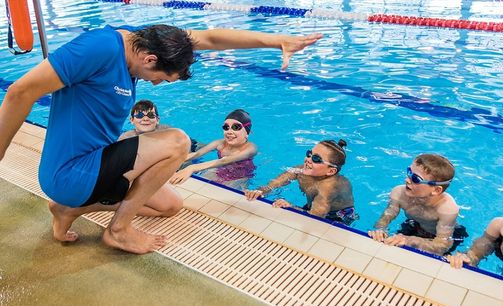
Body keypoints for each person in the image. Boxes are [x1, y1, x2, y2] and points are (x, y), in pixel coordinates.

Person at [0, 24, 322, 254]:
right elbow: (19, 91)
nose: (155, 86)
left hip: (95, 164)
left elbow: (209, 36)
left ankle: (68, 211)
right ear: (150, 60)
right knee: (178, 141)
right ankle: (118, 231)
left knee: (170, 205)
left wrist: (277, 40)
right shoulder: (97, 48)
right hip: (70, 173)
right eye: (161, 79)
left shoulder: (144, 39)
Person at [367, 154, 465, 255]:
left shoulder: (447, 209)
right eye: (409, 171)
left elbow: (442, 246)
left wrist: (410, 240)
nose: (407, 179)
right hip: (414, 225)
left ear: (436, 190)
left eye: (416, 178)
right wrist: (380, 230)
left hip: (442, 236)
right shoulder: (399, 193)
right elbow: (386, 217)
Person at [244, 140, 357, 226]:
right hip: (314, 207)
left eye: (316, 159)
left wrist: (292, 207)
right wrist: (259, 192)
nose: (308, 159)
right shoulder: (300, 171)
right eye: (309, 154)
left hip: (337, 216)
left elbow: (316, 219)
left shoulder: (329, 186)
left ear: (331, 171)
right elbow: (273, 185)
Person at [169, 109, 257, 189]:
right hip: (220, 171)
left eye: (236, 127)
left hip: (240, 178)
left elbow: (224, 161)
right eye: (226, 127)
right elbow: (197, 154)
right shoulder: (220, 143)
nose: (229, 132)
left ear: (247, 132)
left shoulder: (251, 148)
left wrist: (192, 167)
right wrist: (173, 160)